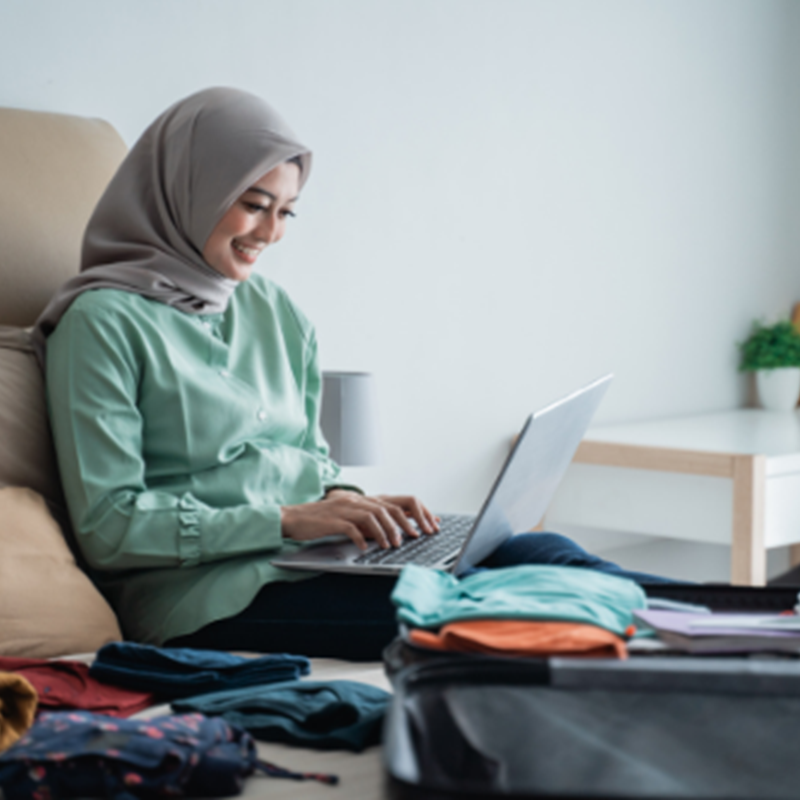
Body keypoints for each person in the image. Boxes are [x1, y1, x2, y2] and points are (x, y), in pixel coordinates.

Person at [37, 88, 670, 661]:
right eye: (255, 206)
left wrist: (346, 503)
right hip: (206, 598)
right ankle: (710, 643)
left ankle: (745, 621)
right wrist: (286, 521)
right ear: (187, 190)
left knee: (543, 552)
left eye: (286, 212)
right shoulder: (101, 322)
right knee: (496, 601)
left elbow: (307, 459)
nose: (270, 234)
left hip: (314, 560)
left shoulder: (274, 310)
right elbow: (109, 527)